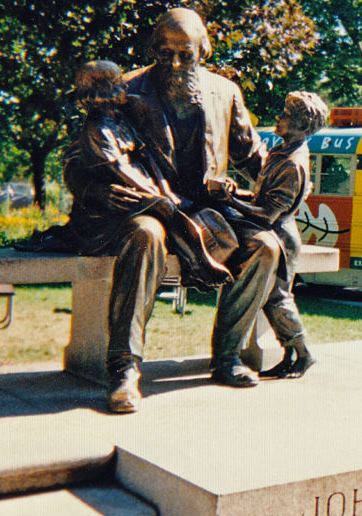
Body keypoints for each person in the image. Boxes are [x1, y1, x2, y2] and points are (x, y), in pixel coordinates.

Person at [97, 7, 278, 413]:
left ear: (204, 50)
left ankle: (227, 355)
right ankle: (124, 368)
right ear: (152, 49)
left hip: (207, 210)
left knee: (264, 246)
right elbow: (85, 154)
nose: (175, 64)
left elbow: (252, 156)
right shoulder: (126, 90)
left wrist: (285, 183)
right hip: (149, 205)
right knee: (145, 235)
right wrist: (103, 191)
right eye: (165, 53)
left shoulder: (225, 91)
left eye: (186, 54)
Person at [71, 59, 232, 291]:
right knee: (164, 213)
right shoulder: (98, 129)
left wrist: (163, 189)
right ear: (101, 93)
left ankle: (200, 265)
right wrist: (154, 196)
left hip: (147, 189)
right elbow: (120, 170)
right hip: (121, 201)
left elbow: (147, 157)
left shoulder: (122, 120)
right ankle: (200, 263)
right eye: (117, 85)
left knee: (200, 218)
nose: (125, 87)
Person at [216, 91, 328, 379]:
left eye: (287, 114)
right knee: (273, 298)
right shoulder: (281, 151)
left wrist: (230, 201)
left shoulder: (292, 163)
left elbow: (267, 214)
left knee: (278, 298)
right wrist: (236, 194)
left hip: (280, 237)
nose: (279, 117)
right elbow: (260, 197)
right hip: (274, 231)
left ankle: (304, 353)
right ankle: (291, 354)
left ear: (303, 126)